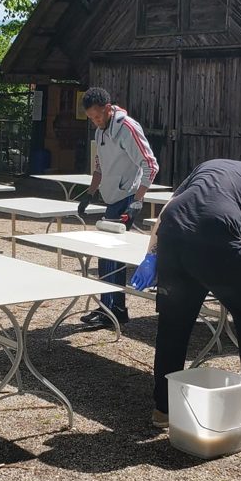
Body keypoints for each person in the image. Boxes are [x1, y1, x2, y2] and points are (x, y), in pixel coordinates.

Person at [130, 150, 241, 428]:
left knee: (173, 325)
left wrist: (152, 255)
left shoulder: (212, 164)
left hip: (172, 235)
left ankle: (164, 409)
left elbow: (166, 211)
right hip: (217, 235)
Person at [77, 86, 159, 327]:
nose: (95, 121)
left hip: (127, 196)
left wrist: (138, 200)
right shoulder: (100, 132)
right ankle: (110, 308)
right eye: (91, 118)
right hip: (110, 197)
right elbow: (99, 165)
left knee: (110, 255)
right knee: (106, 254)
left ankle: (114, 309)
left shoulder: (128, 128)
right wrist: (90, 193)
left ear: (109, 108)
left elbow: (150, 165)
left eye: (98, 116)